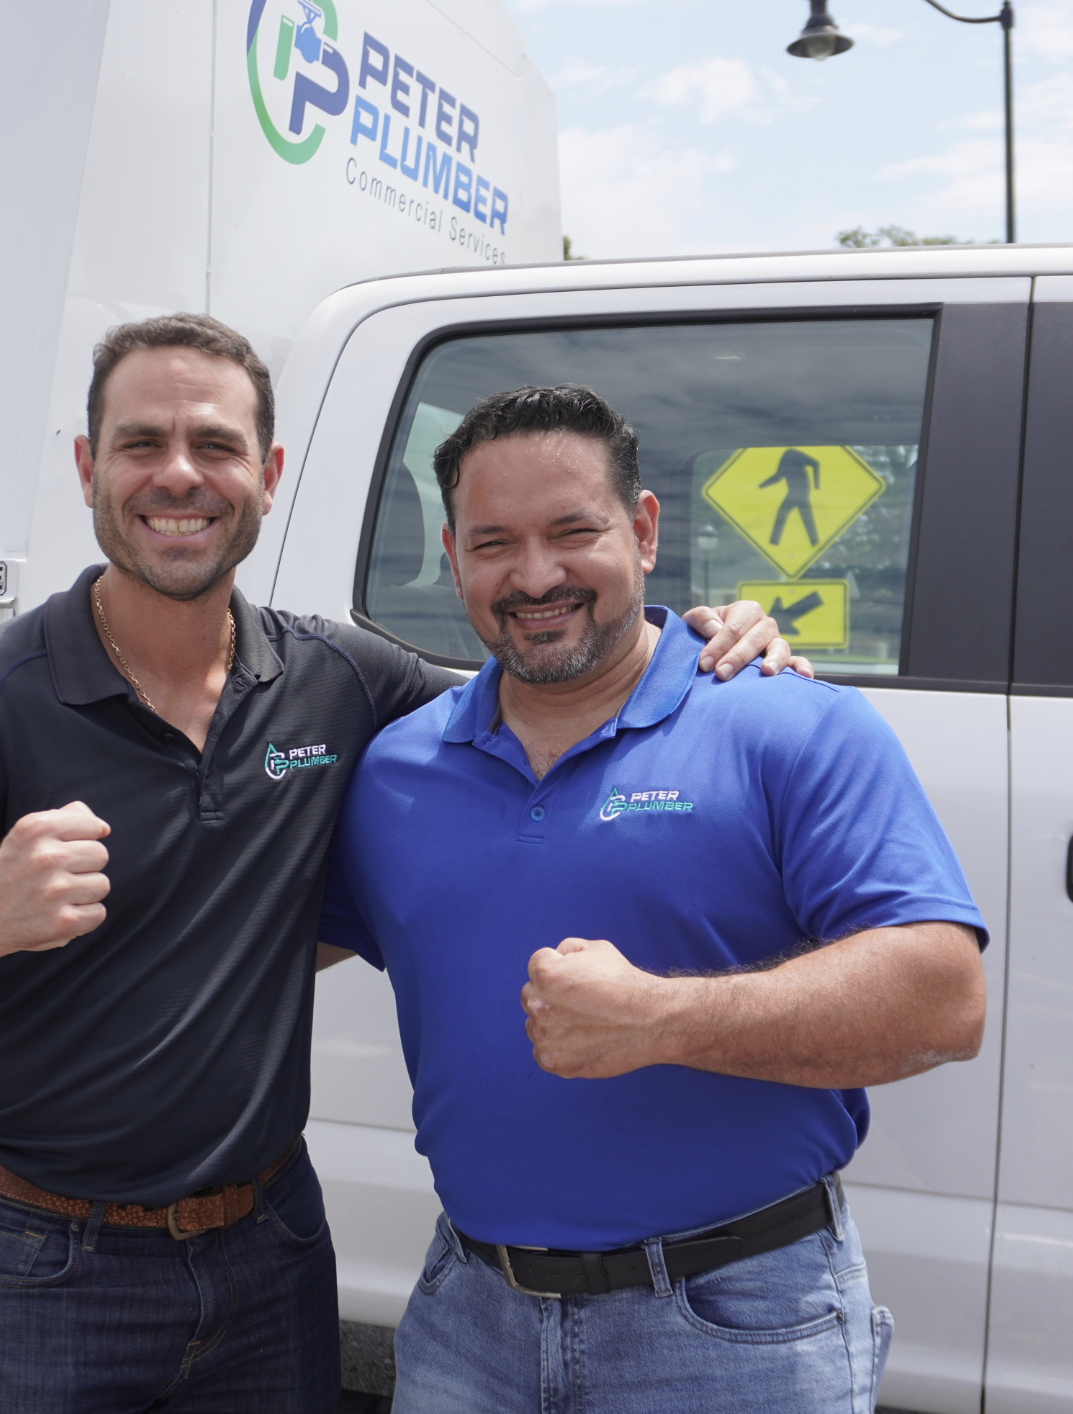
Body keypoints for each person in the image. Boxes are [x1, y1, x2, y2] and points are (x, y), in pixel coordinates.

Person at [0, 316, 803, 1414]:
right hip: (27, 1258)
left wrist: (713, 635)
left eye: (215, 446)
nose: (179, 474)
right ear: (88, 469)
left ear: (267, 477)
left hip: (263, 1248)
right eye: (141, 444)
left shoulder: (340, 680)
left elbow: (541, 680)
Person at [317, 384, 989, 1413]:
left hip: (732, 1327)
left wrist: (662, 1017)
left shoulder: (785, 726)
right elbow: (261, 946)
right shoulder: (396, 768)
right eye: (493, 541)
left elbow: (942, 999)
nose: (533, 574)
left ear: (640, 532)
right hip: (468, 1323)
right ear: (451, 557)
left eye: (571, 531)